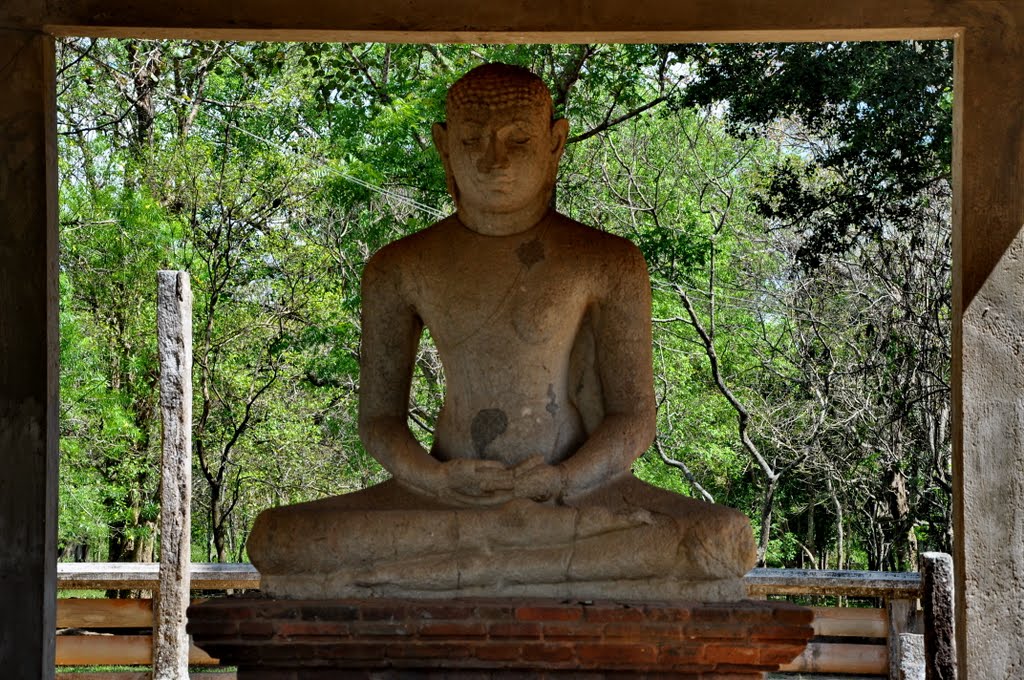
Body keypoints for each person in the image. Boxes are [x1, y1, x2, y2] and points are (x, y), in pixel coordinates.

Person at [247, 63, 756, 600]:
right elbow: (378, 421)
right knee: (281, 538)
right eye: (472, 141)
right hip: (444, 503)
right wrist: (436, 480)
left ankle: (452, 569)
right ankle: (514, 559)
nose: (494, 160)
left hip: (573, 500)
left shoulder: (606, 261)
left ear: (555, 143)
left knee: (719, 539)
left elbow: (634, 418)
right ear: (444, 147)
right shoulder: (400, 267)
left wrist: (563, 481)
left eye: (518, 140)